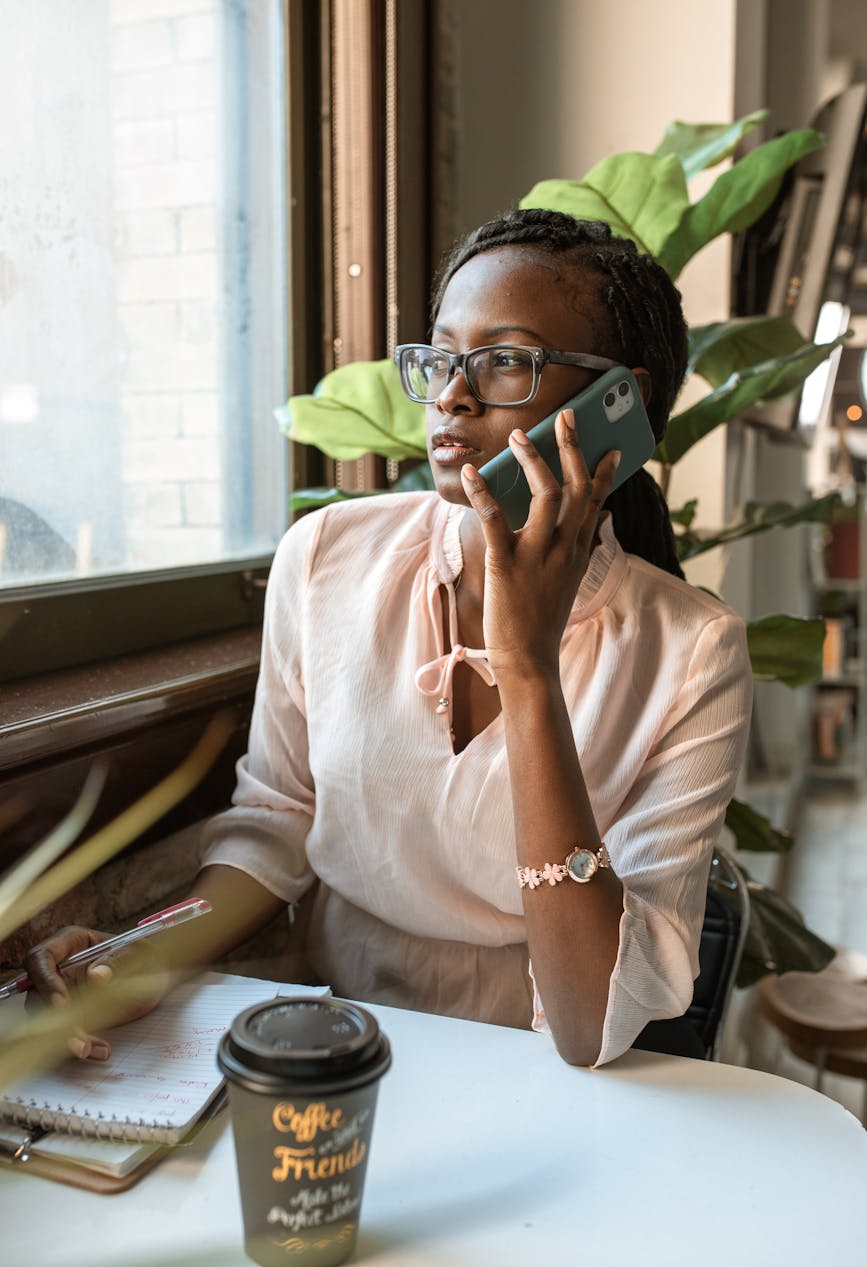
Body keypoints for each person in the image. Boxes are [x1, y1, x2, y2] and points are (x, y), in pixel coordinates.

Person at [25, 210, 753, 1068]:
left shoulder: (692, 652)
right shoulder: (327, 556)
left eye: (506, 360)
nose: (451, 394)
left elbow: (590, 1021)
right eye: (442, 357)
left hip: (531, 1069)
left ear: (615, 406)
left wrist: (527, 674)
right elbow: (281, 815)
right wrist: (150, 950)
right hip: (332, 1039)